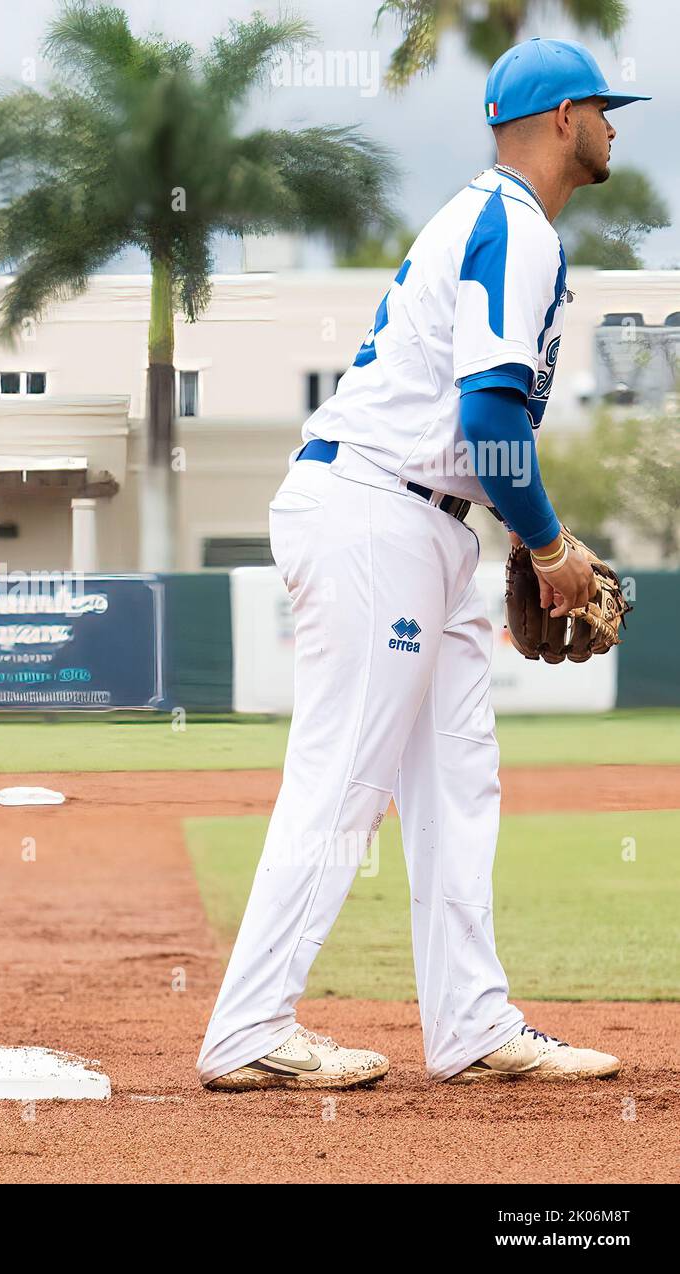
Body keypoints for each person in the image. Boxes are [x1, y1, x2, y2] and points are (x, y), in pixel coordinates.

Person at [199, 39, 647, 1090]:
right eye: (600, 107)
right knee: (345, 769)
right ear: (556, 117)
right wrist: (545, 543)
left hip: (428, 522)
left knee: (455, 781)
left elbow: (478, 426)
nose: (613, 125)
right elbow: (486, 408)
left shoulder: (493, 219)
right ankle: (249, 1026)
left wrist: (535, 533)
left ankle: (470, 1020)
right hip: (375, 513)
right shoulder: (514, 225)